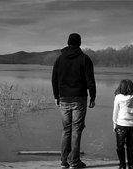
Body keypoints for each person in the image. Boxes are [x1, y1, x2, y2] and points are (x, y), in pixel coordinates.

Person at [52, 33, 96, 169]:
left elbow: (54, 79)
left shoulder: (60, 59)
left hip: (64, 98)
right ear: (80, 43)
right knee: (76, 130)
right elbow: (90, 80)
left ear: (68, 42)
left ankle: (64, 161)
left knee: (66, 130)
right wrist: (93, 97)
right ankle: (74, 162)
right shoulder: (85, 59)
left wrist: (56, 96)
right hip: (79, 99)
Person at [113, 79, 133, 169]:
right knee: (131, 146)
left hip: (121, 124)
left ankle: (122, 165)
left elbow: (115, 112)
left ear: (121, 87)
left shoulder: (118, 97)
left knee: (120, 147)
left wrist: (114, 125)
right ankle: (131, 165)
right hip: (132, 125)